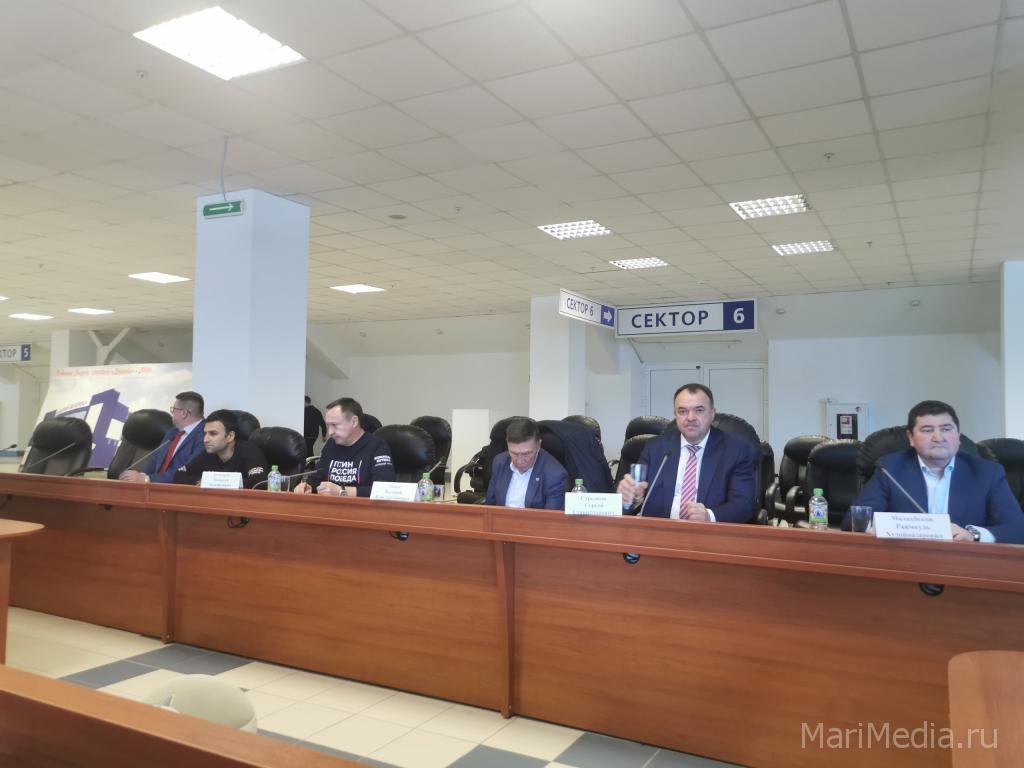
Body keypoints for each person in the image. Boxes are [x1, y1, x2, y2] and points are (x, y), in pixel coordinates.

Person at [846, 400, 1024, 543]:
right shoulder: (890, 468)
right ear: (911, 438)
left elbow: (1018, 529)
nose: (938, 438)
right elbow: (853, 522)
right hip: (904, 561)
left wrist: (973, 535)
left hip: (964, 564)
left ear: (958, 436)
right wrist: (888, 529)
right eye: (927, 430)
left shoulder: (987, 473)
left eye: (946, 429)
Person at [617, 383, 756, 522]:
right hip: (658, 531)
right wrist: (629, 497)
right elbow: (633, 501)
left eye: (699, 410)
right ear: (675, 415)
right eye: (683, 411)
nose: (690, 417)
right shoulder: (655, 448)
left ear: (712, 414)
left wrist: (709, 516)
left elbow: (743, 505)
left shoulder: (736, 451)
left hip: (709, 532)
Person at [294, 397, 394, 497]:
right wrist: (308, 486)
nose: (330, 432)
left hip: (363, 505)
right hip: (330, 505)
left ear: (354, 422)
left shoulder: (377, 446)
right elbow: (317, 477)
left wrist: (342, 491)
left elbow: (384, 490)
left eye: (335, 425)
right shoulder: (331, 444)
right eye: (328, 426)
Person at [120, 391, 205, 484]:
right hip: (153, 487)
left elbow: (187, 471)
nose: (172, 413)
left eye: (173, 409)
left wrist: (147, 479)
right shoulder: (172, 431)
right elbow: (155, 459)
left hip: (178, 489)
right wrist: (140, 476)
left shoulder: (205, 436)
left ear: (184, 413)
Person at [485, 417, 569, 510]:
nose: (520, 460)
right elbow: (489, 507)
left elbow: (549, 517)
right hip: (500, 519)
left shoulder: (555, 475)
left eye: (526, 454)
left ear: (538, 445)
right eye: (514, 453)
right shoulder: (500, 462)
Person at [172, 409, 269, 489]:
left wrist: (215, 482)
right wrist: (202, 481)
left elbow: (259, 483)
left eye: (213, 434)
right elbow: (179, 475)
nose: (205, 440)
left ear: (230, 436)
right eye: (205, 433)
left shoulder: (249, 451)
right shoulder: (208, 454)